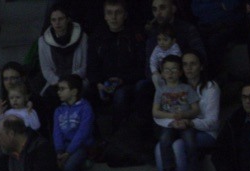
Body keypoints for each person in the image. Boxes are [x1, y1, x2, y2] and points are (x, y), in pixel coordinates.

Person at [155, 51, 218, 171]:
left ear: (201, 66)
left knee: (178, 145)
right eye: (185, 64)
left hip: (206, 133)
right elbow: (158, 115)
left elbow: (212, 122)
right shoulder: (174, 85)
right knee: (159, 146)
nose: (188, 68)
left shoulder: (211, 87)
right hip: (179, 128)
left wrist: (189, 122)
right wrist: (173, 121)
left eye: (193, 64)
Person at [87, 0, 146, 129]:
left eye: (118, 13)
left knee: (121, 96)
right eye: (109, 13)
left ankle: (117, 131)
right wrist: (98, 83)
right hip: (103, 82)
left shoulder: (135, 37)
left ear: (125, 15)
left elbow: (142, 67)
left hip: (127, 82)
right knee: (86, 90)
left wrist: (123, 79)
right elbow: (91, 65)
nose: (113, 17)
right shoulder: (97, 37)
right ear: (105, 16)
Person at [152, 56, 200, 171]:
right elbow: (155, 112)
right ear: (162, 73)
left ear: (180, 72)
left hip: (185, 123)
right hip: (170, 123)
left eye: (174, 70)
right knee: (164, 140)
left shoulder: (187, 88)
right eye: (167, 70)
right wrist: (172, 116)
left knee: (190, 141)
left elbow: (196, 109)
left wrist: (184, 116)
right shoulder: (160, 90)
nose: (170, 73)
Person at [52, 73, 94, 171]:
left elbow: (83, 133)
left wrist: (68, 152)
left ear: (74, 91)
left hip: (81, 146)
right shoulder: (58, 110)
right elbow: (57, 132)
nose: (58, 92)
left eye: (62, 89)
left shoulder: (85, 107)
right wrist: (59, 151)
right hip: (63, 148)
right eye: (58, 89)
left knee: (69, 168)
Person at [38, 4, 88, 113]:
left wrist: (70, 82)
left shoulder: (81, 36)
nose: (57, 23)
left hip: (77, 80)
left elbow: (84, 66)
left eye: (61, 19)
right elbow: (46, 69)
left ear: (68, 19)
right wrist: (60, 84)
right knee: (48, 97)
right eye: (54, 20)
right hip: (55, 82)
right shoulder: (43, 41)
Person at [144, 0, 206, 78]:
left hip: (185, 77)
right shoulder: (153, 33)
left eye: (162, 8)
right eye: (154, 9)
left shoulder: (187, 29)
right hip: (160, 79)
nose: (158, 13)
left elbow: (200, 57)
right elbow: (149, 65)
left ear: (173, 9)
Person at [0, 62, 28, 128]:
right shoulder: (1, 106)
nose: (9, 82)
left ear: (23, 78)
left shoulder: (35, 101)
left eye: (13, 78)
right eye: (6, 79)